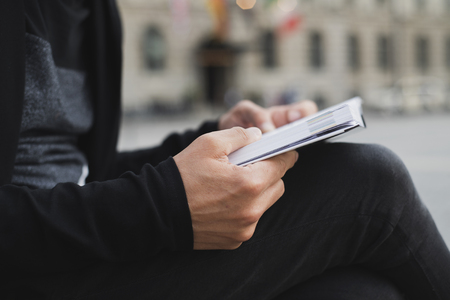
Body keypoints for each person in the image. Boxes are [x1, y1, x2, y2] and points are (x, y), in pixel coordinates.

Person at [1, 1, 449, 299]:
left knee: (361, 292)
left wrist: (214, 136)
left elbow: (77, 174)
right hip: (32, 269)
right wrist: (164, 206)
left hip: (77, 242)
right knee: (371, 184)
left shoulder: (95, 13)